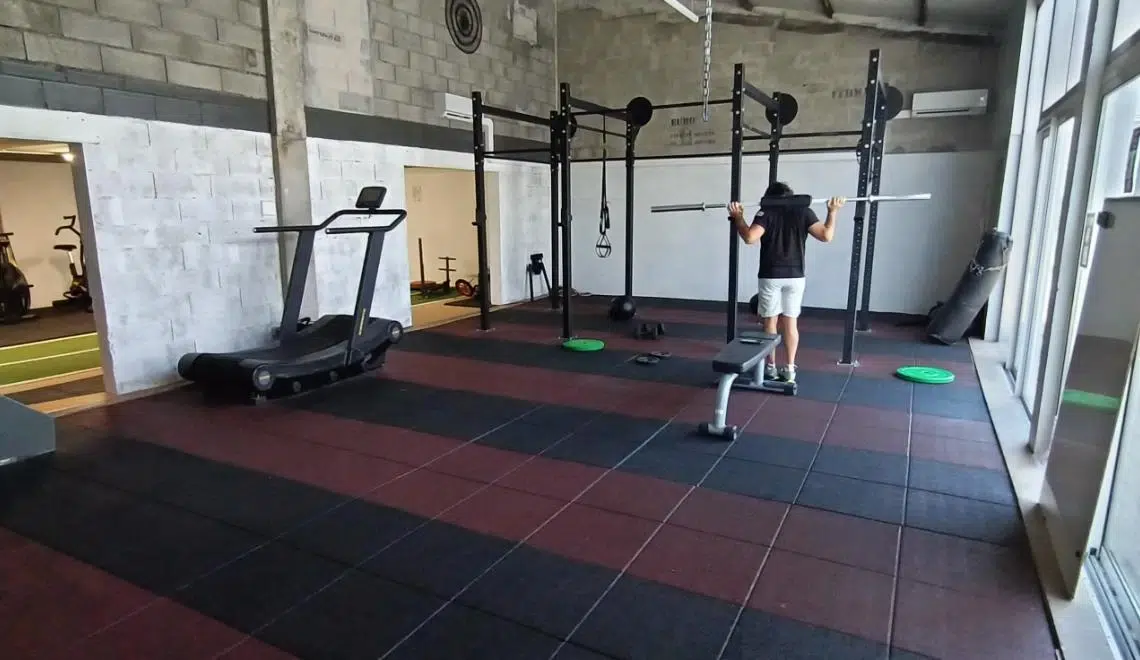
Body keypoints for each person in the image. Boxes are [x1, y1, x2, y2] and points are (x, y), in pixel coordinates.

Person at [728, 183, 845, 384]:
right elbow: (826, 235)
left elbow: (749, 237)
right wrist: (832, 212)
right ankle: (790, 369)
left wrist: (738, 217)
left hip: (770, 275)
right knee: (791, 323)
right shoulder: (804, 211)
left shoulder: (766, 212)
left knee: (770, 322)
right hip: (795, 276)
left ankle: (771, 367)